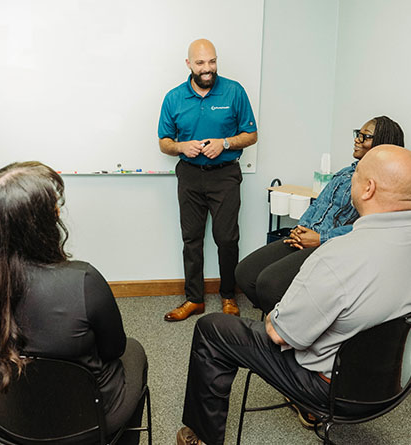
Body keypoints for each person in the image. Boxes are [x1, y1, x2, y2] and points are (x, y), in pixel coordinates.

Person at [175, 144, 411, 445]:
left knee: (213, 329)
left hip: (333, 390)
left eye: (355, 175)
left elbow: (281, 335)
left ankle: (204, 439)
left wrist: (282, 311)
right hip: (392, 388)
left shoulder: (337, 256)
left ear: (368, 189)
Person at [0, 161, 148, 444]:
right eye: (53, 207)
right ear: (37, 224)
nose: (58, 212)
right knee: (134, 351)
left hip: (0, 408)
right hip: (85, 417)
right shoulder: (82, 281)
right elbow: (114, 349)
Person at [235, 116, 404, 313]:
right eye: (358, 134)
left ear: (382, 143)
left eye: (364, 136)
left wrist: (320, 239)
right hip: (305, 236)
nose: (357, 139)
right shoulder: (345, 172)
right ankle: (281, 319)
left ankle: (289, 331)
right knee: (245, 273)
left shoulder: (382, 186)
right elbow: (319, 204)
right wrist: (300, 230)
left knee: (269, 284)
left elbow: (366, 227)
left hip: (329, 246)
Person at [158, 38, 258, 321]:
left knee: (226, 238)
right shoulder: (174, 98)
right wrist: (181, 146)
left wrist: (224, 143)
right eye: (201, 63)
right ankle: (194, 300)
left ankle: (228, 295)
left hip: (225, 175)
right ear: (189, 64)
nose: (207, 68)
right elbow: (164, 142)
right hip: (189, 175)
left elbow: (251, 135)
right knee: (191, 239)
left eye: (212, 61)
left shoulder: (234, 91)